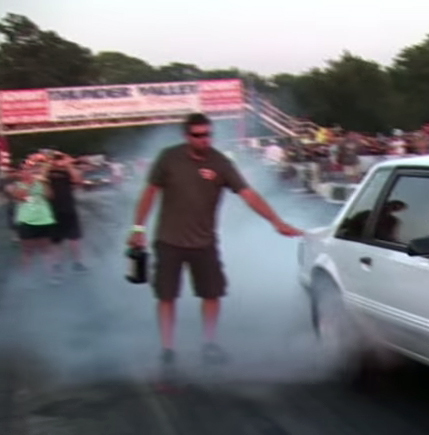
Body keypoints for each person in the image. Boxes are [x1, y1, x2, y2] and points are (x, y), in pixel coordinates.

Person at [129, 113, 303, 367]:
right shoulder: (169, 158)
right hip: (169, 240)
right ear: (187, 136)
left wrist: (276, 221)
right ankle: (167, 348)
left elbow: (248, 194)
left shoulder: (220, 163)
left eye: (208, 134)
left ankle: (209, 343)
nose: (204, 140)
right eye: (198, 135)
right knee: (166, 295)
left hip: (204, 241)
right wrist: (138, 228)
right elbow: (150, 192)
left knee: (212, 294)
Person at [8, 159, 59, 278]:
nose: (27, 172)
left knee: (46, 249)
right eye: (24, 170)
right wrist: (29, 183)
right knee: (27, 251)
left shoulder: (40, 182)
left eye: (30, 170)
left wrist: (44, 181)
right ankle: (27, 277)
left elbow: (50, 196)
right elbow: (20, 196)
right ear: (19, 172)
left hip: (43, 219)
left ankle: (52, 275)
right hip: (26, 221)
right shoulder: (16, 185)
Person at [47, 151, 87, 272]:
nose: (57, 161)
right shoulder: (46, 173)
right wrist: (48, 163)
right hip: (53, 209)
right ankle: (56, 265)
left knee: (74, 238)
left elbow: (78, 181)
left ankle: (77, 262)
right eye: (55, 158)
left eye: (59, 158)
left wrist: (68, 164)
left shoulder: (67, 172)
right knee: (55, 240)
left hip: (68, 207)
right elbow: (41, 181)